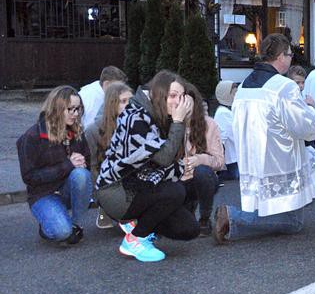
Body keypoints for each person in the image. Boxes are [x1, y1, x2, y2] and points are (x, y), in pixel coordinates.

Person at [213, 34, 315, 243]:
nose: (291, 60)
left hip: (253, 159)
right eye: (290, 55)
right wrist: (311, 109)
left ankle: (237, 218)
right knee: (294, 222)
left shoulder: (244, 85)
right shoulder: (283, 86)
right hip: (279, 158)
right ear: (281, 56)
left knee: (271, 208)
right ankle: (233, 217)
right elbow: (304, 126)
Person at [94, 71, 200, 262]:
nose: (178, 102)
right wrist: (178, 122)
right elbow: (165, 158)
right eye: (173, 95)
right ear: (158, 93)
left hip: (145, 184)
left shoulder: (160, 113)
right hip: (117, 190)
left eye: (181, 96)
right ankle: (134, 239)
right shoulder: (136, 116)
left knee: (189, 229)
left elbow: (176, 156)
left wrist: (182, 123)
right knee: (175, 190)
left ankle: (140, 223)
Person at [17, 86, 92, 246]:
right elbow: (29, 177)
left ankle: (76, 224)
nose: (76, 114)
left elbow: (87, 166)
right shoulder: (32, 136)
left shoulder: (77, 131)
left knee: (82, 175)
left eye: (78, 109)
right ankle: (50, 226)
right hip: (43, 194)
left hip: (66, 189)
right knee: (61, 232)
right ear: (56, 109)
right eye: (70, 109)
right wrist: (68, 164)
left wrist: (82, 162)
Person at [85, 81, 134, 229]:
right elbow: (93, 167)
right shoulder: (93, 131)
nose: (129, 105)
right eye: (123, 101)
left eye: (131, 101)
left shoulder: (139, 124)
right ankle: (105, 209)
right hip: (107, 181)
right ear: (112, 104)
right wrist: (100, 197)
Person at [180, 82, 225, 237]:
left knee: (202, 172)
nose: (183, 106)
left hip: (203, 178)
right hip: (178, 180)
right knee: (184, 228)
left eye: (187, 102)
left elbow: (220, 161)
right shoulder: (168, 126)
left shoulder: (209, 124)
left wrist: (200, 159)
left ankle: (205, 217)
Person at [213, 80, 240, 181]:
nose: (236, 96)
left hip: (234, 156)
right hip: (231, 158)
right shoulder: (223, 113)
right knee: (235, 175)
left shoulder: (228, 110)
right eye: (234, 93)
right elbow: (231, 135)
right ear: (225, 95)